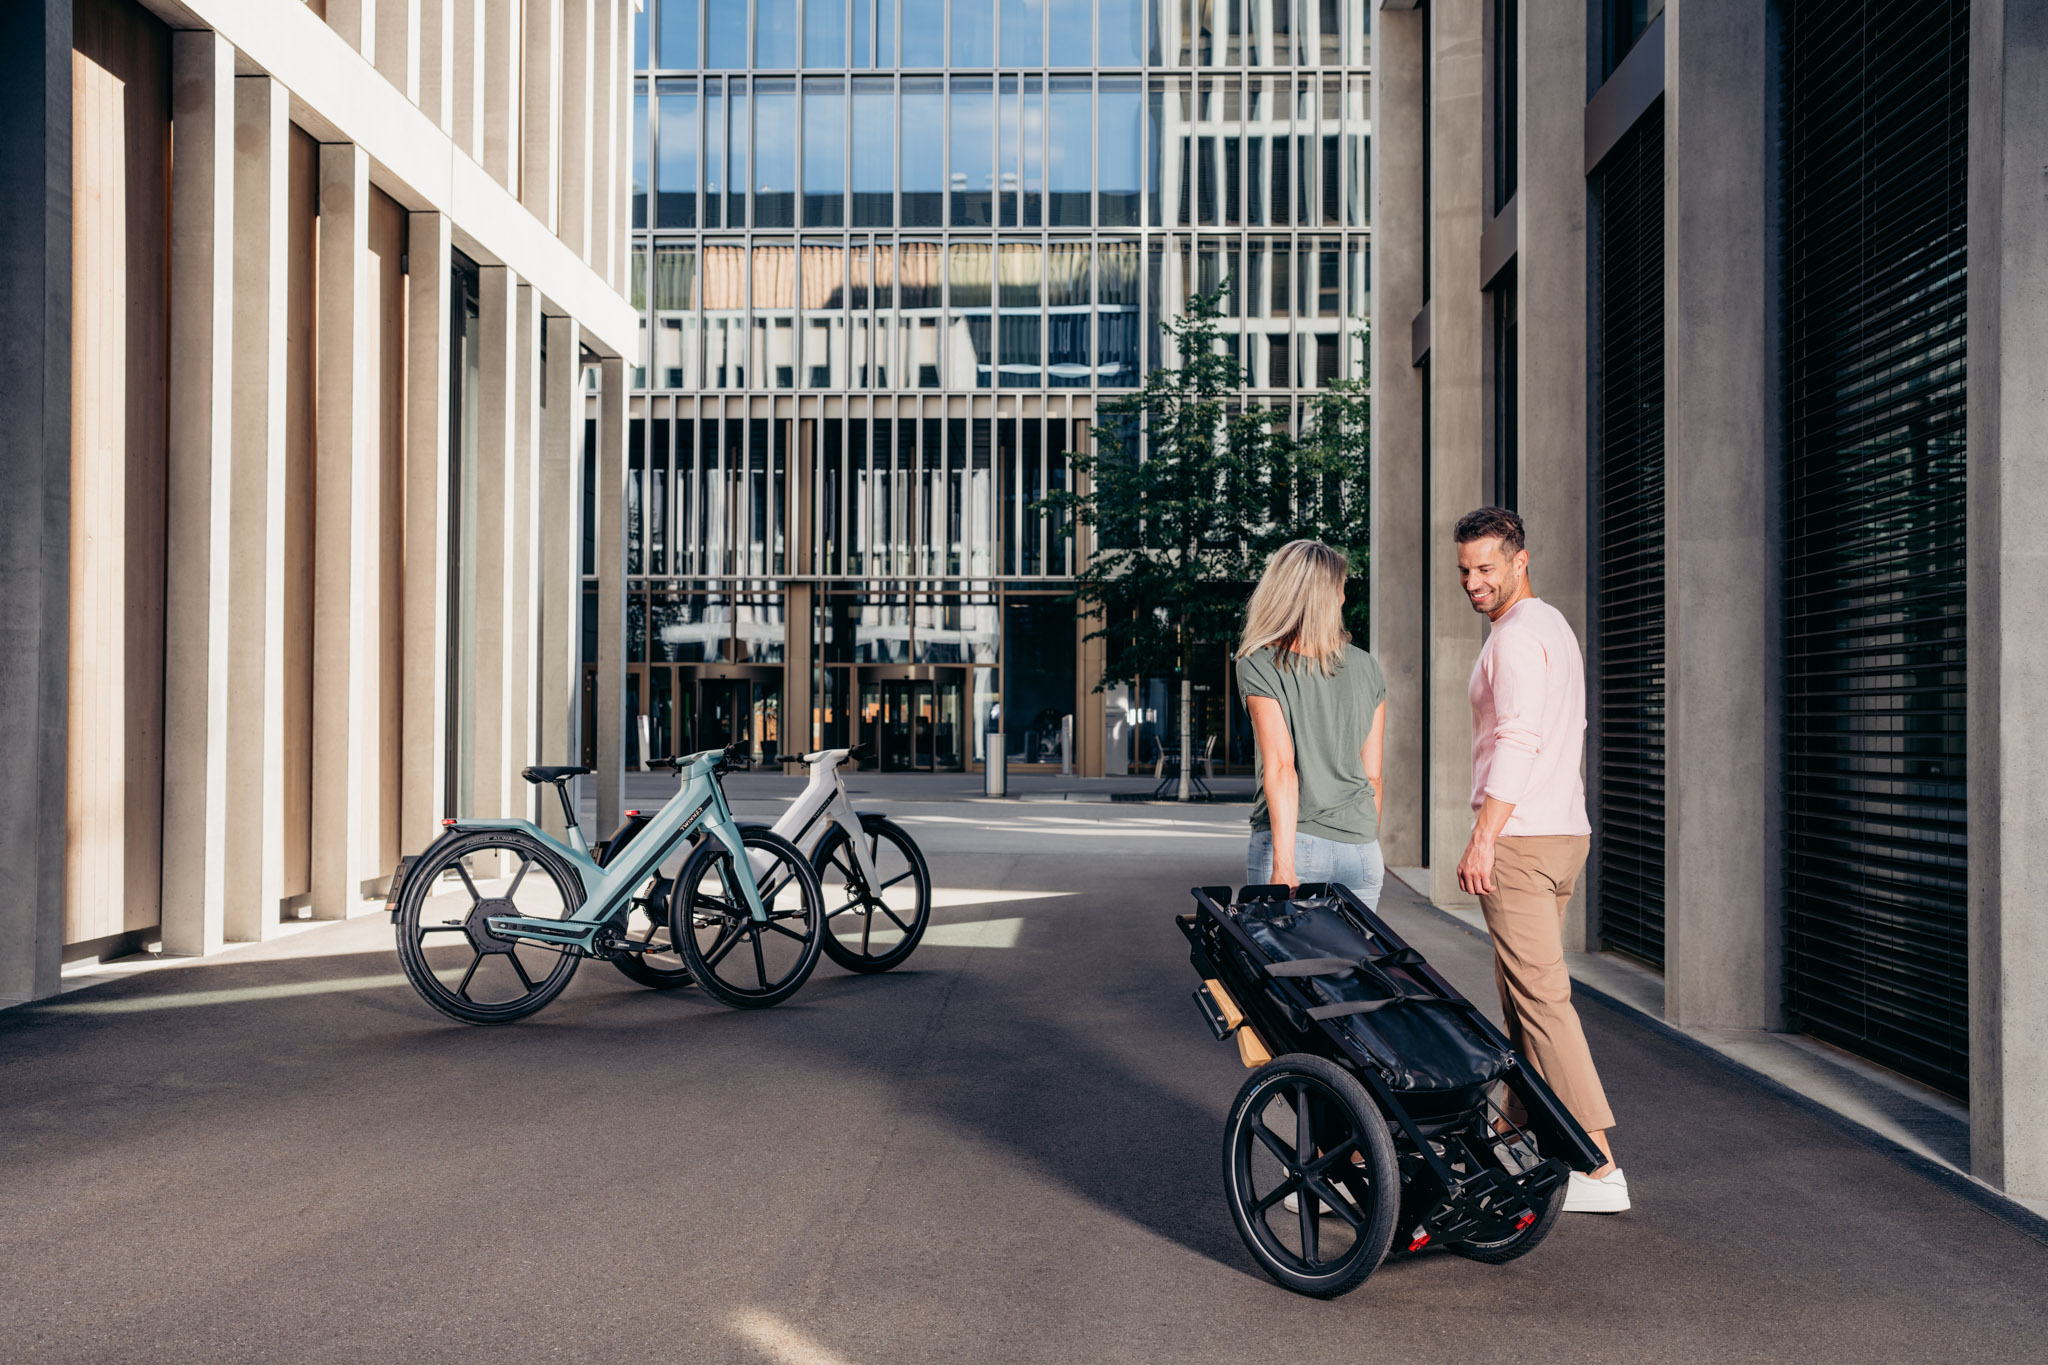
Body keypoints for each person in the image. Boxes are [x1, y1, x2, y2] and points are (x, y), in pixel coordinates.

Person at [1453, 506, 1628, 1214]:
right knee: (1523, 999)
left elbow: (1520, 738)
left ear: (1520, 560)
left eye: (1487, 568)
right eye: (1465, 570)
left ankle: (1598, 1167)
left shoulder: (1519, 639)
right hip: (1562, 833)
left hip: (1522, 840)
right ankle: (1518, 1139)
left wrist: (1485, 833)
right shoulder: (1552, 624)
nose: (1473, 582)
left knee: (1542, 1001)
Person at [1236, 540, 1387, 904]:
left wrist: (1284, 865)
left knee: (1282, 962)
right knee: (1356, 961)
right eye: (1342, 589)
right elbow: (1374, 777)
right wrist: (1363, 838)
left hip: (1294, 845)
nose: (1345, 599)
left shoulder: (1258, 664)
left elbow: (1282, 768)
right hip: (1362, 850)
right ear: (1331, 596)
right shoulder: (1367, 666)